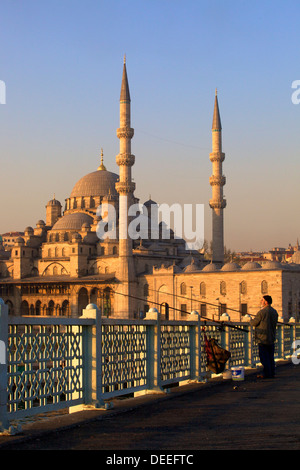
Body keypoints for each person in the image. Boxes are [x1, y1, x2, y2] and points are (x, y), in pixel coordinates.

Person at [250, 295, 278, 378]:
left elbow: (254, 323)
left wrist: (251, 320)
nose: (260, 302)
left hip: (262, 338)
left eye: (262, 300)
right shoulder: (274, 312)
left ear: (266, 302)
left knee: (264, 357)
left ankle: (267, 374)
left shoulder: (261, 312)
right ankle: (271, 373)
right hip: (271, 337)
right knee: (270, 357)